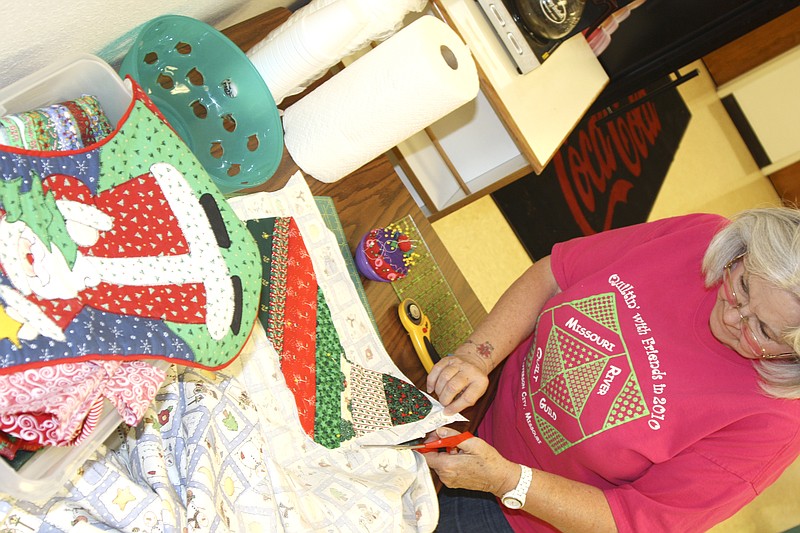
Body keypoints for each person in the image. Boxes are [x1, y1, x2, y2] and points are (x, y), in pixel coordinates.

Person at [423, 207, 800, 532]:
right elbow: (553, 277)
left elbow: (633, 522)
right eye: (743, 286)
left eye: (763, 330)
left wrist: (507, 480)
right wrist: (477, 357)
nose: (735, 315)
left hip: (516, 517)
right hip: (474, 404)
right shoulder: (700, 237)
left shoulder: (774, 422)